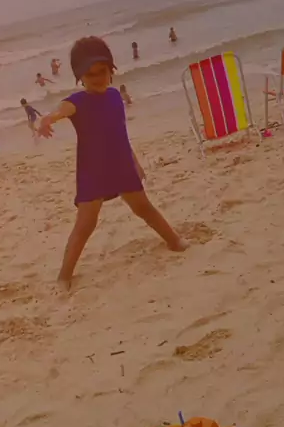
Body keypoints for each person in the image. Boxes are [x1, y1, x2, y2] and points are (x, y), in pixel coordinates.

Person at [38, 36, 187, 287]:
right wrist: (47, 120)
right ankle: (64, 277)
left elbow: (121, 134)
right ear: (80, 76)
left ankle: (175, 241)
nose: (97, 77)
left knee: (145, 209)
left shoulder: (116, 97)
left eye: (102, 71)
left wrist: (135, 162)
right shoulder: (77, 102)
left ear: (111, 69)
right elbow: (60, 111)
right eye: (90, 73)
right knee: (85, 224)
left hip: (121, 164)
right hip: (93, 171)